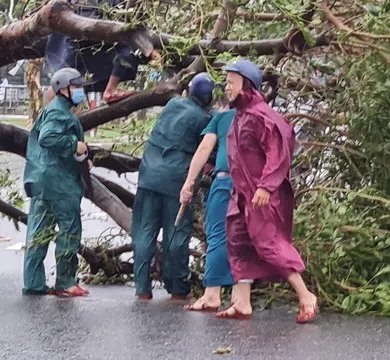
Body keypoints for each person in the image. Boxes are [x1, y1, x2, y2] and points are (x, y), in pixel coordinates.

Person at [215, 59, 318, 323]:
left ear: (246, 85)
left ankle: (306, 295)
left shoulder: (263, 116)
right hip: (241, 195)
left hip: (261, 195)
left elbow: (278, 152)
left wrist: (266, 186)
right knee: (237, 242)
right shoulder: (240, 116)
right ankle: (242, 302)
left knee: (268, 243)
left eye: (231, 83)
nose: (226, 88)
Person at [132, 73, 215, 301]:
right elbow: (210, 150)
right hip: (176, 181)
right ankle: (177, 288)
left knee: (144, 232)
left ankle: (142, 289)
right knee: (176, 233)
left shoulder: (172, 104)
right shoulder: (204, 119)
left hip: (148, 174)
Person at [22, 68, 91, 297]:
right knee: (69, 231)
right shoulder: (59, 113)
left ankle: (33, 283)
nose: (81, 91)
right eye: (77, 86)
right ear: (63, 89)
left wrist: (79, 160)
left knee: (38, 234)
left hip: (42, 181)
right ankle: (66, 282)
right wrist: (75, 145)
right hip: (60, 185)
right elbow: (48, 138)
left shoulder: (52, 110)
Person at [179, 106, 236, 312]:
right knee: (241, 237)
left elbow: (204, 148)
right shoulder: (260, 115)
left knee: (217, 235)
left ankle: (212, 294)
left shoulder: (222, 117)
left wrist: (189, 182)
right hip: (250, 184)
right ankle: (239, 297)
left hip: (225, 180)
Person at [43, 0, 149, 105]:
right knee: (63, 82)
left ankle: (110, 89)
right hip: (79, 36)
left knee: (64, 81)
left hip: (81, 40)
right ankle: (110, 89)